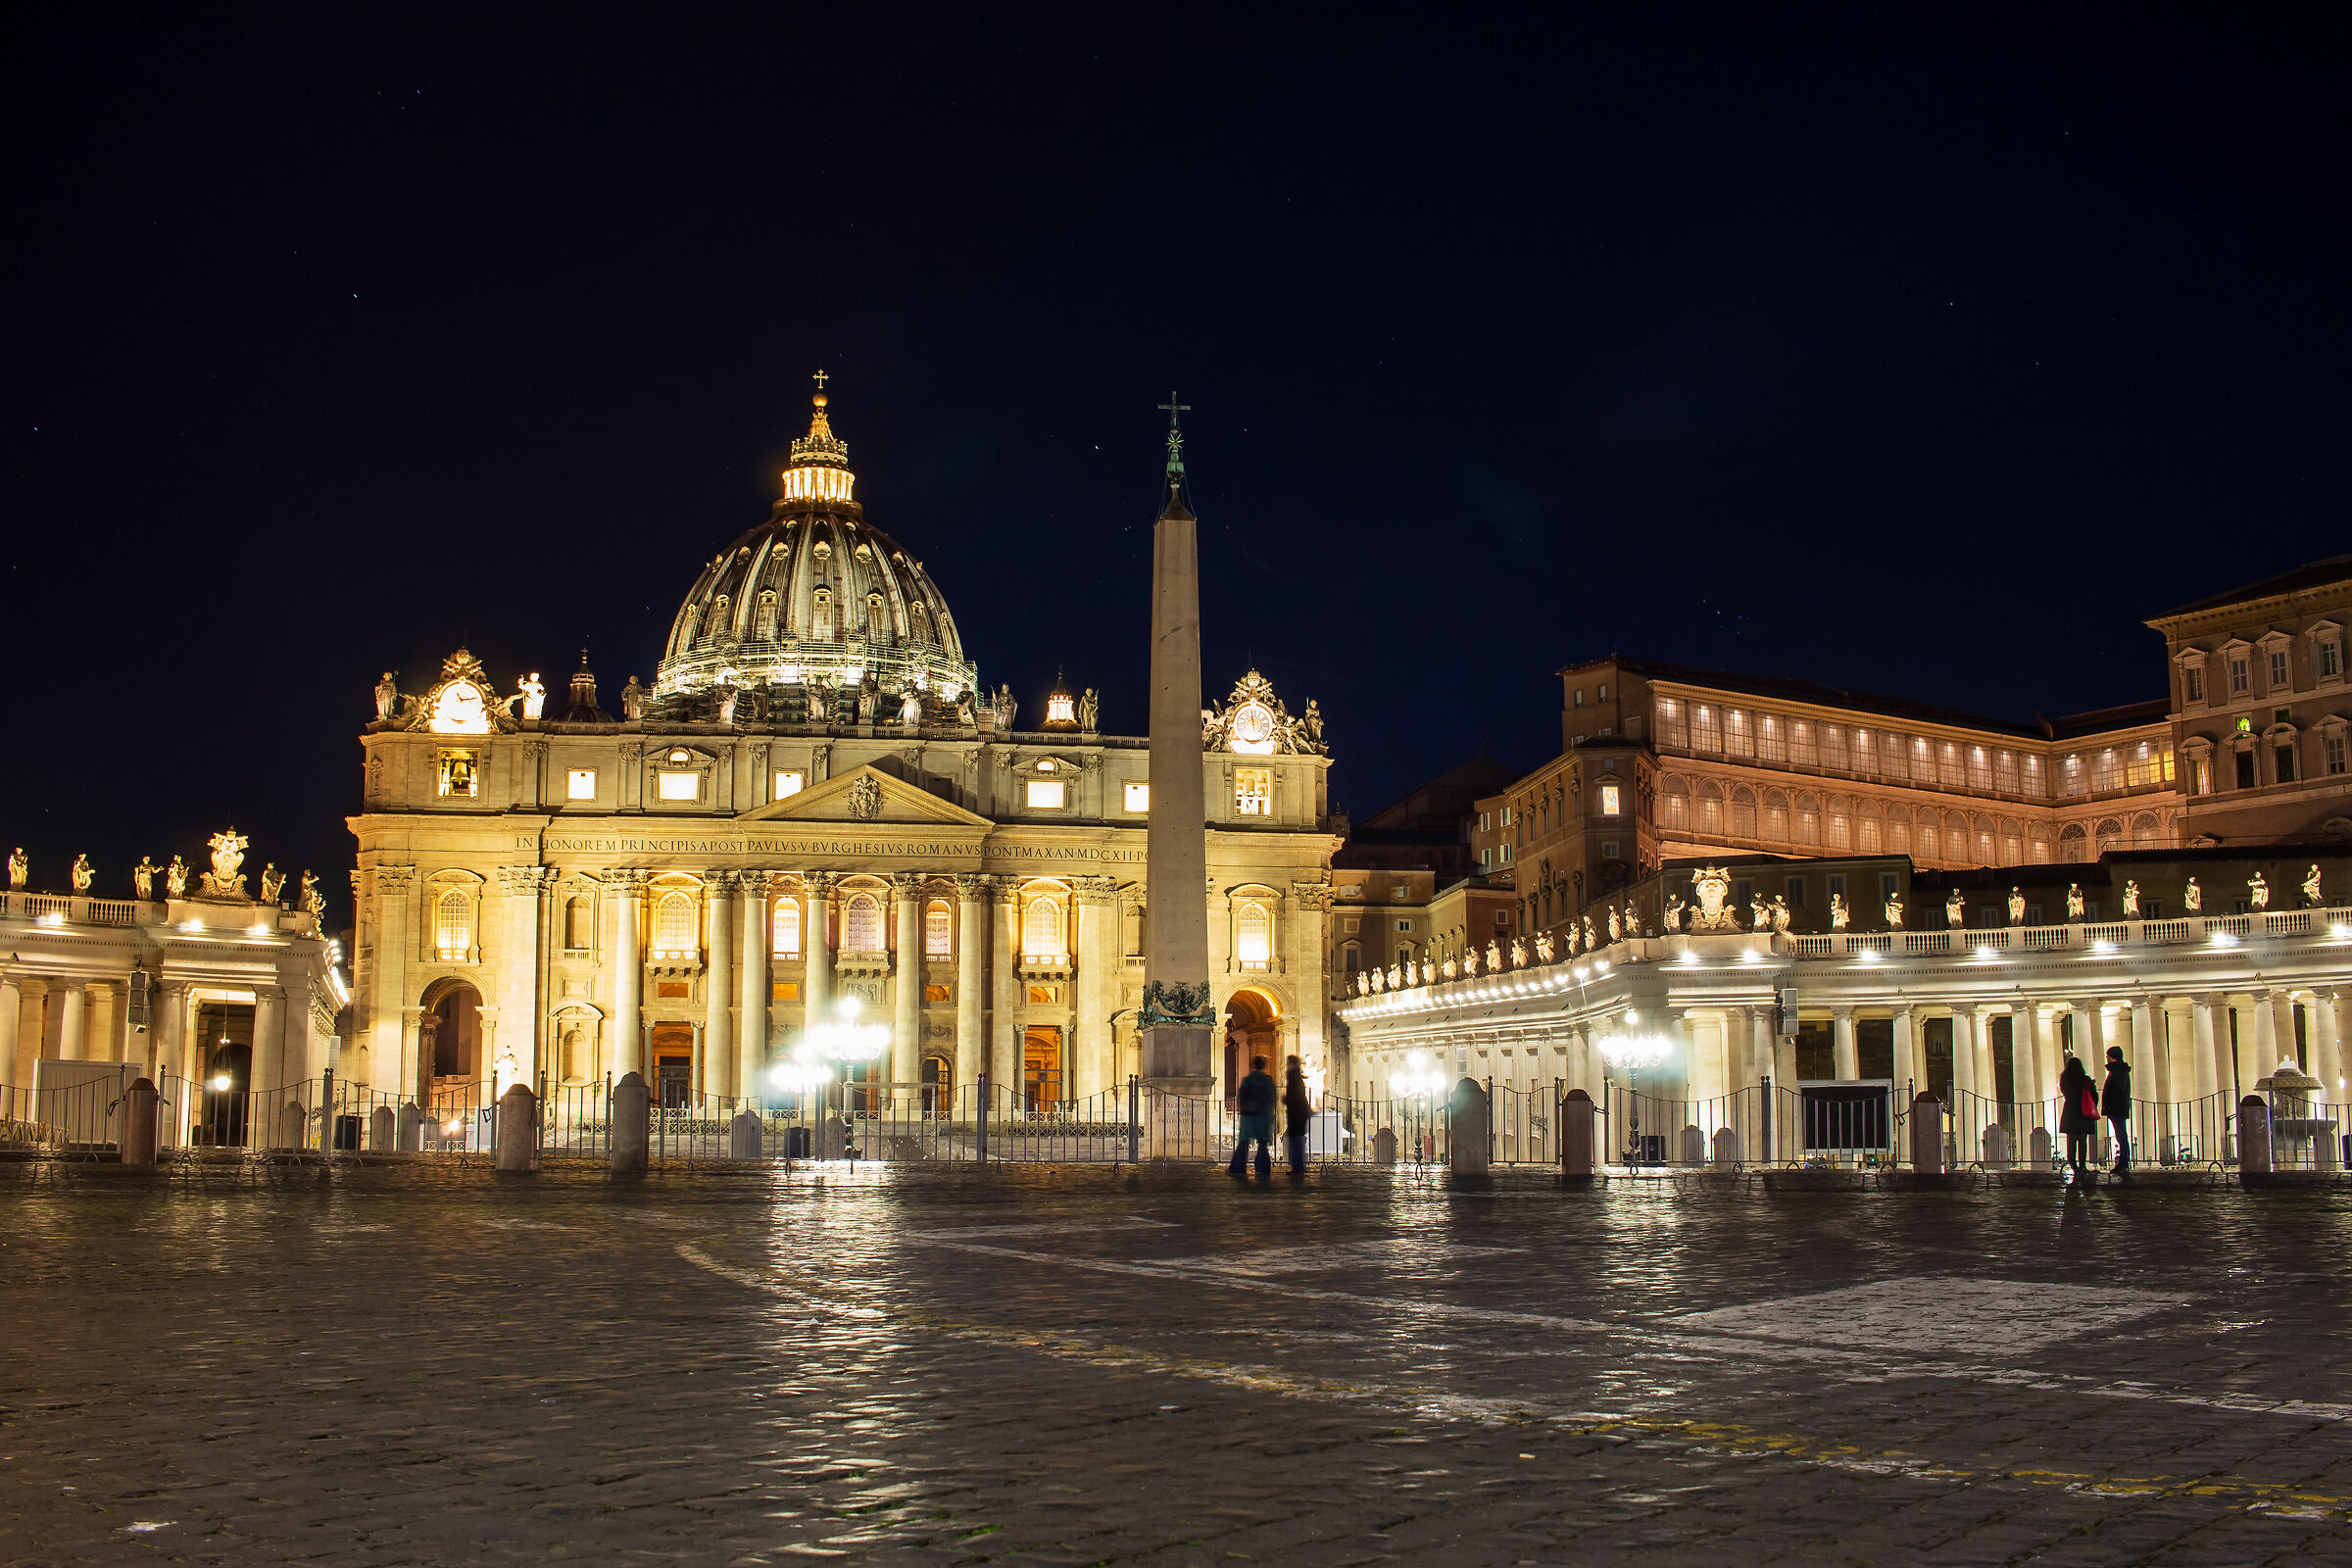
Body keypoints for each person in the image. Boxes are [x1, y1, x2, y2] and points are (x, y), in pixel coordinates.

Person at [1229, 1054, 1276, 1179]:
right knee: (1262, 1144)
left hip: (1247, 1116)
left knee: (1243, 1143)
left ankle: (1238, 1169)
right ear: (1264, 1065)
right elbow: (1272, 1098)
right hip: (1262, 1115)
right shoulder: (1268, 1080)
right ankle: (1262, 1169)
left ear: (1252, 1065)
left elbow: (1241, 1097)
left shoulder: (1247, 1079)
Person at [2057, 1054, 2099, 1183]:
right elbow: (2094, 1095)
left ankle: (2073, 1165)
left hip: (2070, 1112)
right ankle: (2082, 1165)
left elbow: (2064, 1091)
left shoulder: (2064, 1079)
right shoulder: (2085, 1079)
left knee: (2071, 1141)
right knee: (2082, 1141)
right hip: (2083, 1112)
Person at [2102, 1046, 2133, 1180]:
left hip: (2117, 1109)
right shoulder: (2119, 1070)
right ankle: (2123, 1162)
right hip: (2117, 1108)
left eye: (2108, 1056)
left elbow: (2118, 1090)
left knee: (2121, 1136)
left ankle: (2123, 1163)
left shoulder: (2118, 1071)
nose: (2106, 1058)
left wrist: (2111, 1104)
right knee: (2121, 1135)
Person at [1282, 1054, 1313, 1177]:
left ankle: (1298, 1168)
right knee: (1297, 1141)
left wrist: (1285, 1099)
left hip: (1296, 1114)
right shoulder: (1296, 1077)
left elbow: (1294, 1097)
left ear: (1291, 1064)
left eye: (1288, 1063)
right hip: (1299, 1113)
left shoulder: (1293, 1078)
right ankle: (1298, 1166)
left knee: (1296, 1141)